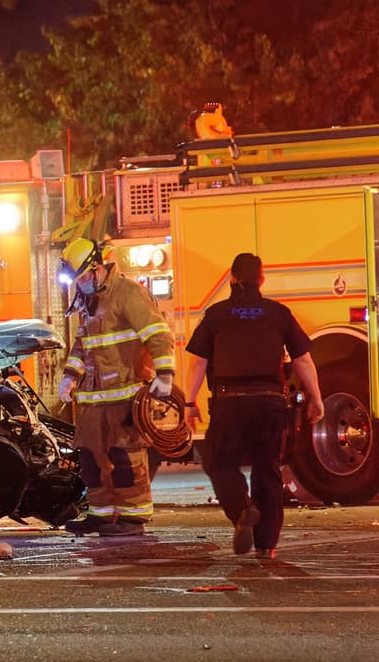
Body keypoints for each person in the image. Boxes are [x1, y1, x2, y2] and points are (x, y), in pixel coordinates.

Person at [183, 252, 324, 559]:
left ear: (232, 278)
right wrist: (316, 397)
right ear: (262, 279)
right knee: (267, 469)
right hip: (271, 403)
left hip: (229, 403)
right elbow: (303, 359)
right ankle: (266, 545)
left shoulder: (217, 314)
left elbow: (198, 363)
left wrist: (189, 402)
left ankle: (242, 510)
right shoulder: (279, 313)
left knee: (218, 463)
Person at [56, 237, 175, 537]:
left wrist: (165, 374)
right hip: (95, 400)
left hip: (126, 393)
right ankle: (102, 514)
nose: (80, 284)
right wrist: (70, 376)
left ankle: (133, 519)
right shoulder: (90, 300)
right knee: (90, 457)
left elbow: (158, 335)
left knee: (125, 458)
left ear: (97, 268)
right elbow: (83, 344)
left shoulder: (129, 294)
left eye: (83, 277)